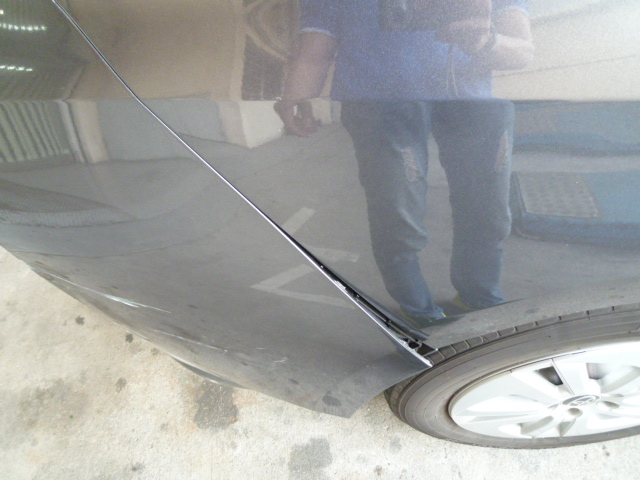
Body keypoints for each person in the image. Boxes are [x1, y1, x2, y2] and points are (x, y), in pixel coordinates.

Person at [276, 0, 534, 327]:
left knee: (487, 211)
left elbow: (523, 52)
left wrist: (485, 40)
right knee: (397, 215)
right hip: (379, 100)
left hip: (472, 99)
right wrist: (294, 95)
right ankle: (418, 313)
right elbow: (316, 48)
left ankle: (478, 298)